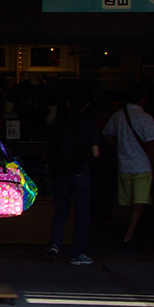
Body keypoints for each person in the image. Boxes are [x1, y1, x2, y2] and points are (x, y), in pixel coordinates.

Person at [102, 85, 154, 245]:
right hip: (142, 165)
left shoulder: (118, 115)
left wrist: (119, 145)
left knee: (125, 203)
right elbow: (152, 145)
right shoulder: (146, 118)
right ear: (142, 99)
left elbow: (106, 134)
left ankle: (124, 231)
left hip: (124, 165)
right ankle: (129, 235)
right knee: (139, 203)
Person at [46, 93, 100, 264]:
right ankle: (76, 253)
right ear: (87, 105)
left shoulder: (58, 123)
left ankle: (54, 245)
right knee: (82, 213)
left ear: (68, 103)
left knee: (61, 209)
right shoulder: (89, 125)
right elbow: (96, 152)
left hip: (60, 172)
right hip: (80, 172)